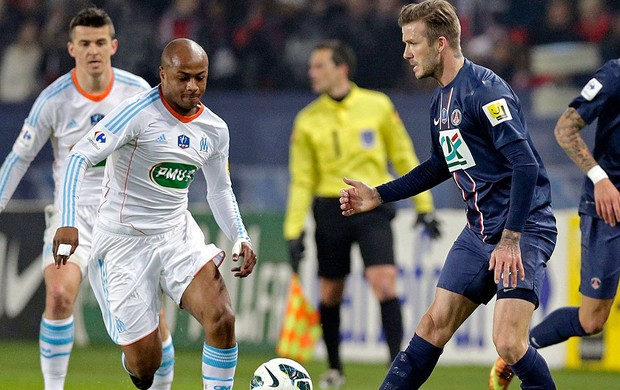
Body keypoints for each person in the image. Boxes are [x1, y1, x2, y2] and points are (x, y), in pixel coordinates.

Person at [339, 1, 559, 388]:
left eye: (413, 43)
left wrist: (511, 239)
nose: (406, 54)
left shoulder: (485, 91)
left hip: (522, 229)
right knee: (433, 325)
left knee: (508, 342)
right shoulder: (441, 99)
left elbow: (524, 165)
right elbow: (441, 164)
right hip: (479, 233)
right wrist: (379, 193)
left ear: (440, 44)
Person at [52, 37, 257, 390]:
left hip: (177, 235)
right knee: (146, 365)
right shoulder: (136, 113)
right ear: (163, 74)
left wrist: (240, 234)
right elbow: (79, 156)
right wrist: (68, 220)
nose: (193, 87)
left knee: (222, 317)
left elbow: (219, 189)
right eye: (183, 78)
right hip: (123, 243)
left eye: (201, 77)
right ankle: (149, 346)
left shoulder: (215, 129)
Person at [0, 7, 176, 390]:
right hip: (72, 214)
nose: (93, 50)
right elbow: (18, 159)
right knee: (60, 295)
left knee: (154, 323)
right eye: (84, 44)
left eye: (99, 42)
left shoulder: (138, 92)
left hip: (126, 216)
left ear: (113, 46)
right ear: (71, 49)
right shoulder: (53, 99)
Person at [283, 39, 441, 389]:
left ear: (341, 68)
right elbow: (301, 180)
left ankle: (399, 367)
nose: (312, 73)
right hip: (329, 209)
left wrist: (424, 207)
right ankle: (336, 369)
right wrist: (293, 230)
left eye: (319, 66)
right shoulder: (307, 120)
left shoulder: (378, 105)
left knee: (384, 281)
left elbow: (403, 155)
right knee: (330, 293)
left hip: (372, 204)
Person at [489, 58, 620, 389]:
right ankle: (517, 350)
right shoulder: (615, 75)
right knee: (592, 320)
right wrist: (600, 178)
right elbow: (564, 128)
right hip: (608, 208)